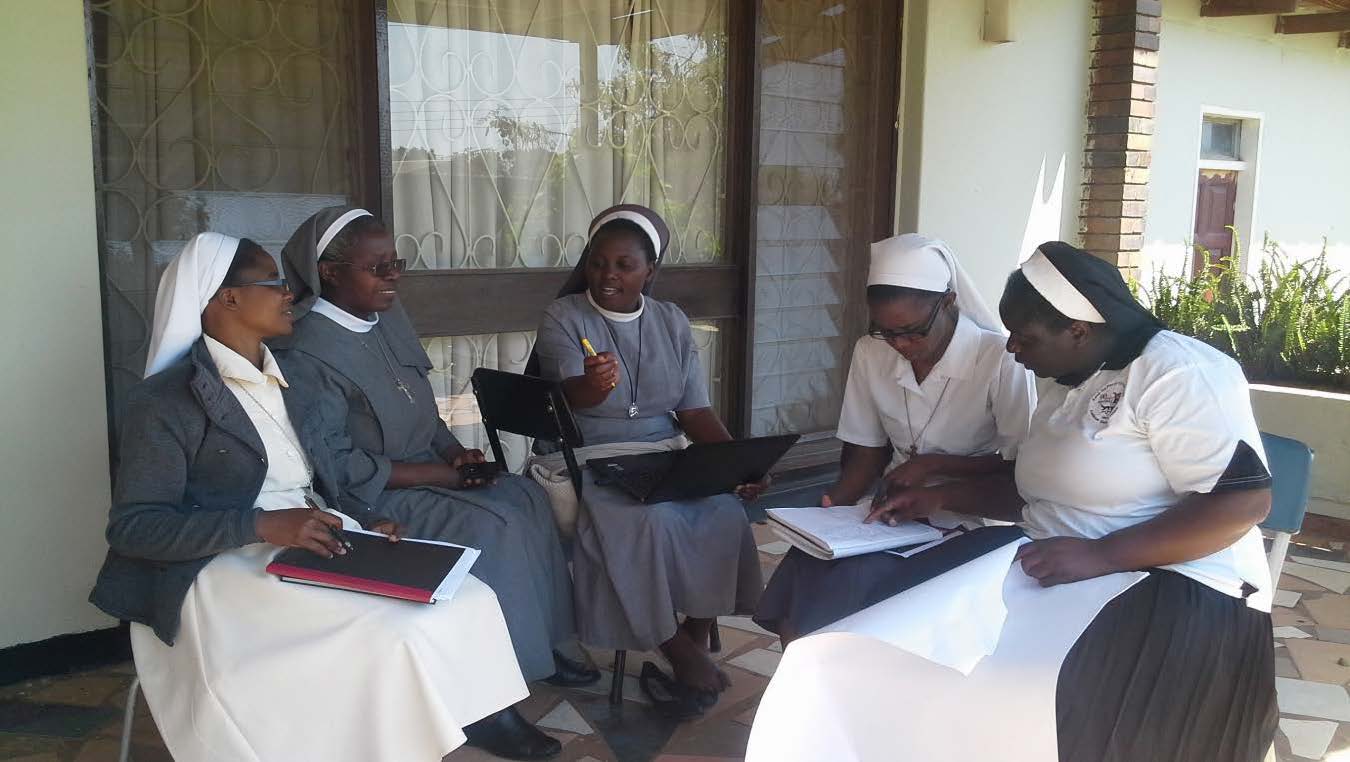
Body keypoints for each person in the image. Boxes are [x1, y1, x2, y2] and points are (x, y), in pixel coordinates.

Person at [800, 241, 1276, 760]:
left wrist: (1101, 555)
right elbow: (1039, 490)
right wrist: (938, 499)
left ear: (1078, 329)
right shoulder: (1066, 380)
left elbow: (1242, 503)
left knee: (1053, 697)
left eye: (1024, 338)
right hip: (1054, 559)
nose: (1011, 351)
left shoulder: (1177, 373)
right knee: (896, 642)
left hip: (1177, 580)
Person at [89, 233, 535, 762]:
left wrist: (364, 519)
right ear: (226, 298)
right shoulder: (168, 402)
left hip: (310, 538)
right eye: (272, 282)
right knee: (393, 634)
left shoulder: (287, 382)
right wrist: (260, 526)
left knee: (470, 597)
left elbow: (315, 479)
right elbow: (134, 528)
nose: (287, 294)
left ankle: (436, 732)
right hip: (218, 567)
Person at [273, 207, 592, 754]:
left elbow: (424, 411)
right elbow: (339, 467)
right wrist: (443, 474)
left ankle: (541, 643)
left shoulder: (387, 317)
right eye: (377, 268)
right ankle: (486, 705)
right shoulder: (304, 352)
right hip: (376, 493)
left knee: (525, 498)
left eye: (396, 263)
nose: (393, 276)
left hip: (430, 468)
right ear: (329, 272)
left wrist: (456, 454)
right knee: (493, 527)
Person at [530, 204, 765, 716]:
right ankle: (677, 650)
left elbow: (695, 410)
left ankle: (695, 639)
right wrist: (591, 386)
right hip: (594, 454)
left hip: (665, 450)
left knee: (722, 511)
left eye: (624, 265)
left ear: (649, 271)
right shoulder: (565, 316)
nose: (608, 275)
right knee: (647, 521)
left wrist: (735, 465)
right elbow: (568, 398)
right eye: (598, 263)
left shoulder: (671, 320)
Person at [753, 234, 1035, 643]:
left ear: (949, 301)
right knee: (809, 564)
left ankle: (855, 689)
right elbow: (866, 452)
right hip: (891, 511)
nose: (900, 344)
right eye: (887, 332)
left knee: (861, 585)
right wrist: (834, 507)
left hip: (972, 514)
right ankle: (805, 688)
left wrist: (935, 466)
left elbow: (1020, 466)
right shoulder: (872, 352)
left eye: (913, 331)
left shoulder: (999, 359)